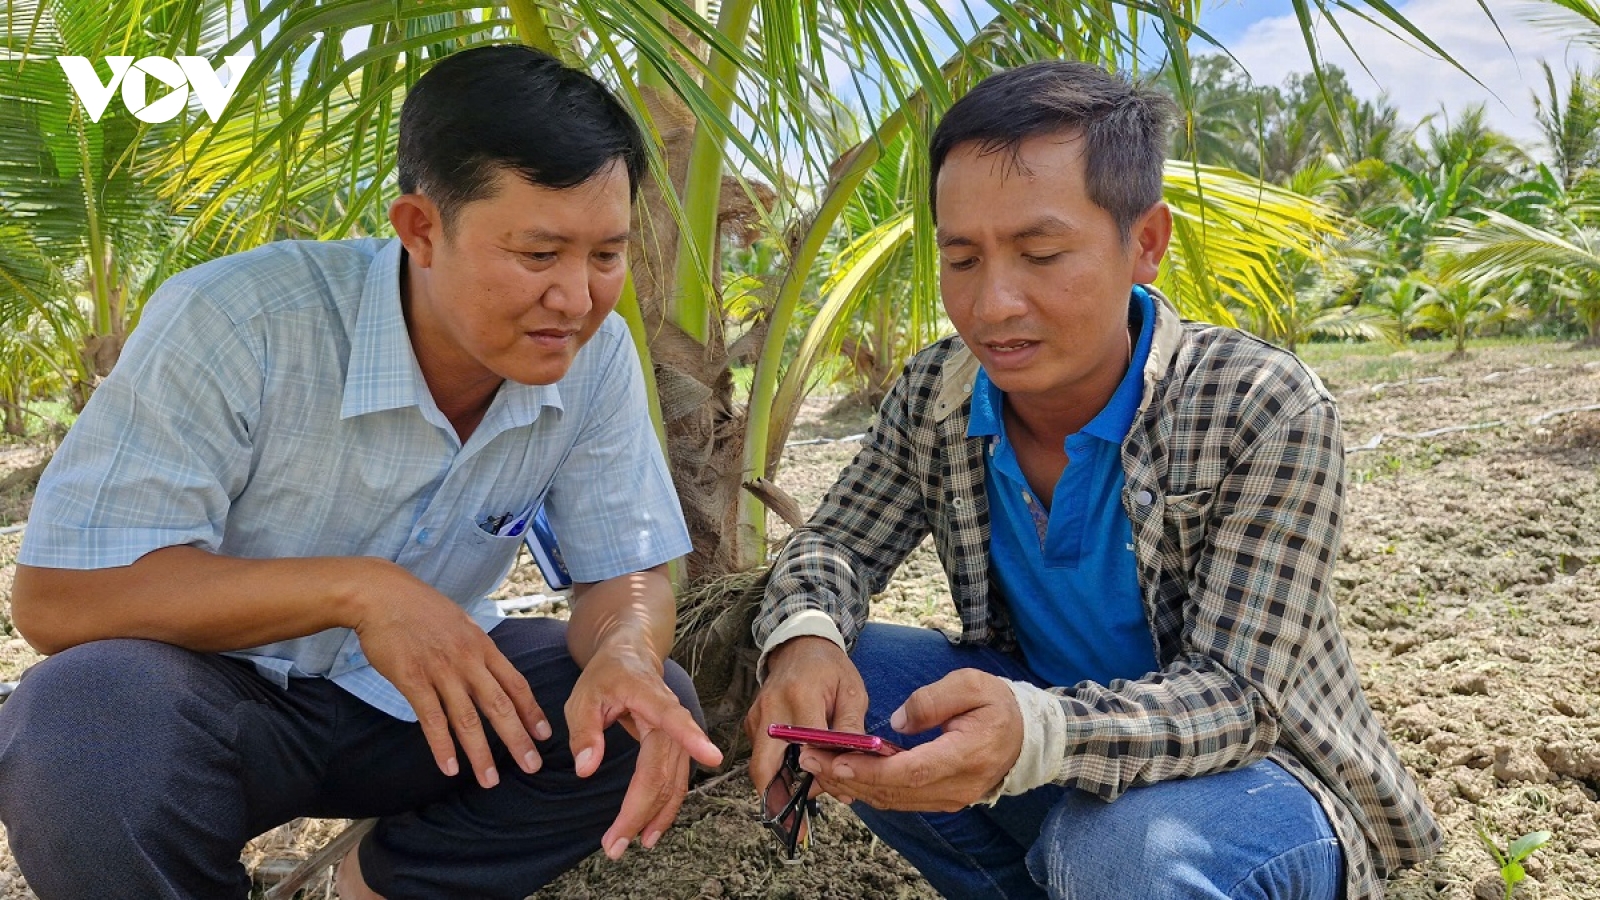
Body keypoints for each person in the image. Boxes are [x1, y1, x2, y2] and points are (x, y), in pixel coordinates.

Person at [0, 44, 721, 900]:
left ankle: (369, 888)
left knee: (638, 715)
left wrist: (626, 651)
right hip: (213, 699)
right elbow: (59, 598)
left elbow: (624, 572)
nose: (577, 298)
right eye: (538, 255)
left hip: (424, 710)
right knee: (77, 726)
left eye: (606, 256)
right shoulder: (244, 321)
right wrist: (359, 592)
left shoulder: (590, 360)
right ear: (420, 228)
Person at [745, 60, 1439, 899]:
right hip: (1054, 749)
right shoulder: (938, 394)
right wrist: (804, 639)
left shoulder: (1261, 408)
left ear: (1144, 243)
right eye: (962, 260)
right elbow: (839, 543)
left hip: (1258, 779)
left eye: (1041, 253)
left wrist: (1038, 734)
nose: (994, 304)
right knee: (863, 679)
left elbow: (1240, 698)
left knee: (1124, 847)